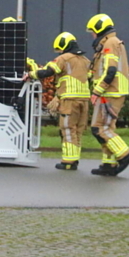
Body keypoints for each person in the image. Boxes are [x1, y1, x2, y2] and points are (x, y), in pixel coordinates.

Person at [25, 32, 91, 170]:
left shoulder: (63, 58)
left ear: (64, 45)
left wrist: (31, 74)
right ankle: (75, 158)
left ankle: (68, 161)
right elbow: (90, 75)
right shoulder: (85, 60)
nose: (59, 51)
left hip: (69, 100)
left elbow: (47, 72)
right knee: (78, 131)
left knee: (67, 129)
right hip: (84, 100)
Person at [86, 14, 129, 176]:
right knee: (106, 128)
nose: (92, 35)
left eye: (92, 31)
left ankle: (125, 155)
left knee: (99, 128)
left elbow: (111, 70)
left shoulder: (110, 43)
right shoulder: (109, 43)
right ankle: (109, 164)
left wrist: (97, 91)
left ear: (100, 29)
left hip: (110, 92)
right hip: (111, 91)